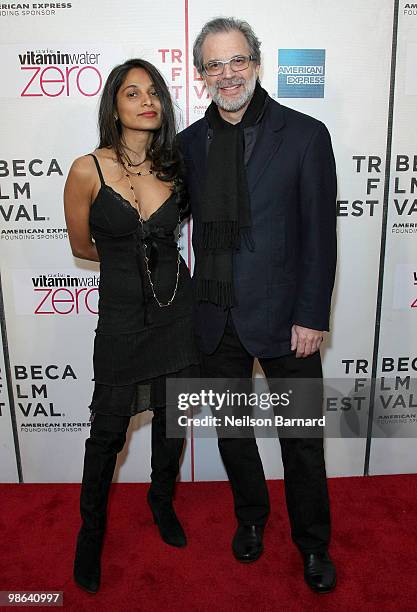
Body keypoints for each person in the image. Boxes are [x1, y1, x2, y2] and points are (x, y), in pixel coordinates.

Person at [178, 18, 337, 593]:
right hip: (215, 318)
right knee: (233, 435)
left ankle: (314, 545)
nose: (227, 74)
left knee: (302, 441)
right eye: (215, 64)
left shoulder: (304, 135)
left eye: (237, 60)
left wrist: (313, 315)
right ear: (200, 76)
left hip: (287, 321)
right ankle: (251, 518)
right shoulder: (190, 144)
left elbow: (320, 235)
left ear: (257, 63)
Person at [64, 58, 199, 594]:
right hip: (120, 319)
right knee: (106, 436)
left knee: (173, 419)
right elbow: (81, 246)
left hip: (178, 313)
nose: (146, 101)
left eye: (154, 93)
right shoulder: (85, 170)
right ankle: (90, 530)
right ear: (114, 106)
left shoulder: (177, 169)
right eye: (131, 93)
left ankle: (161, 500)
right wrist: (126, 267)